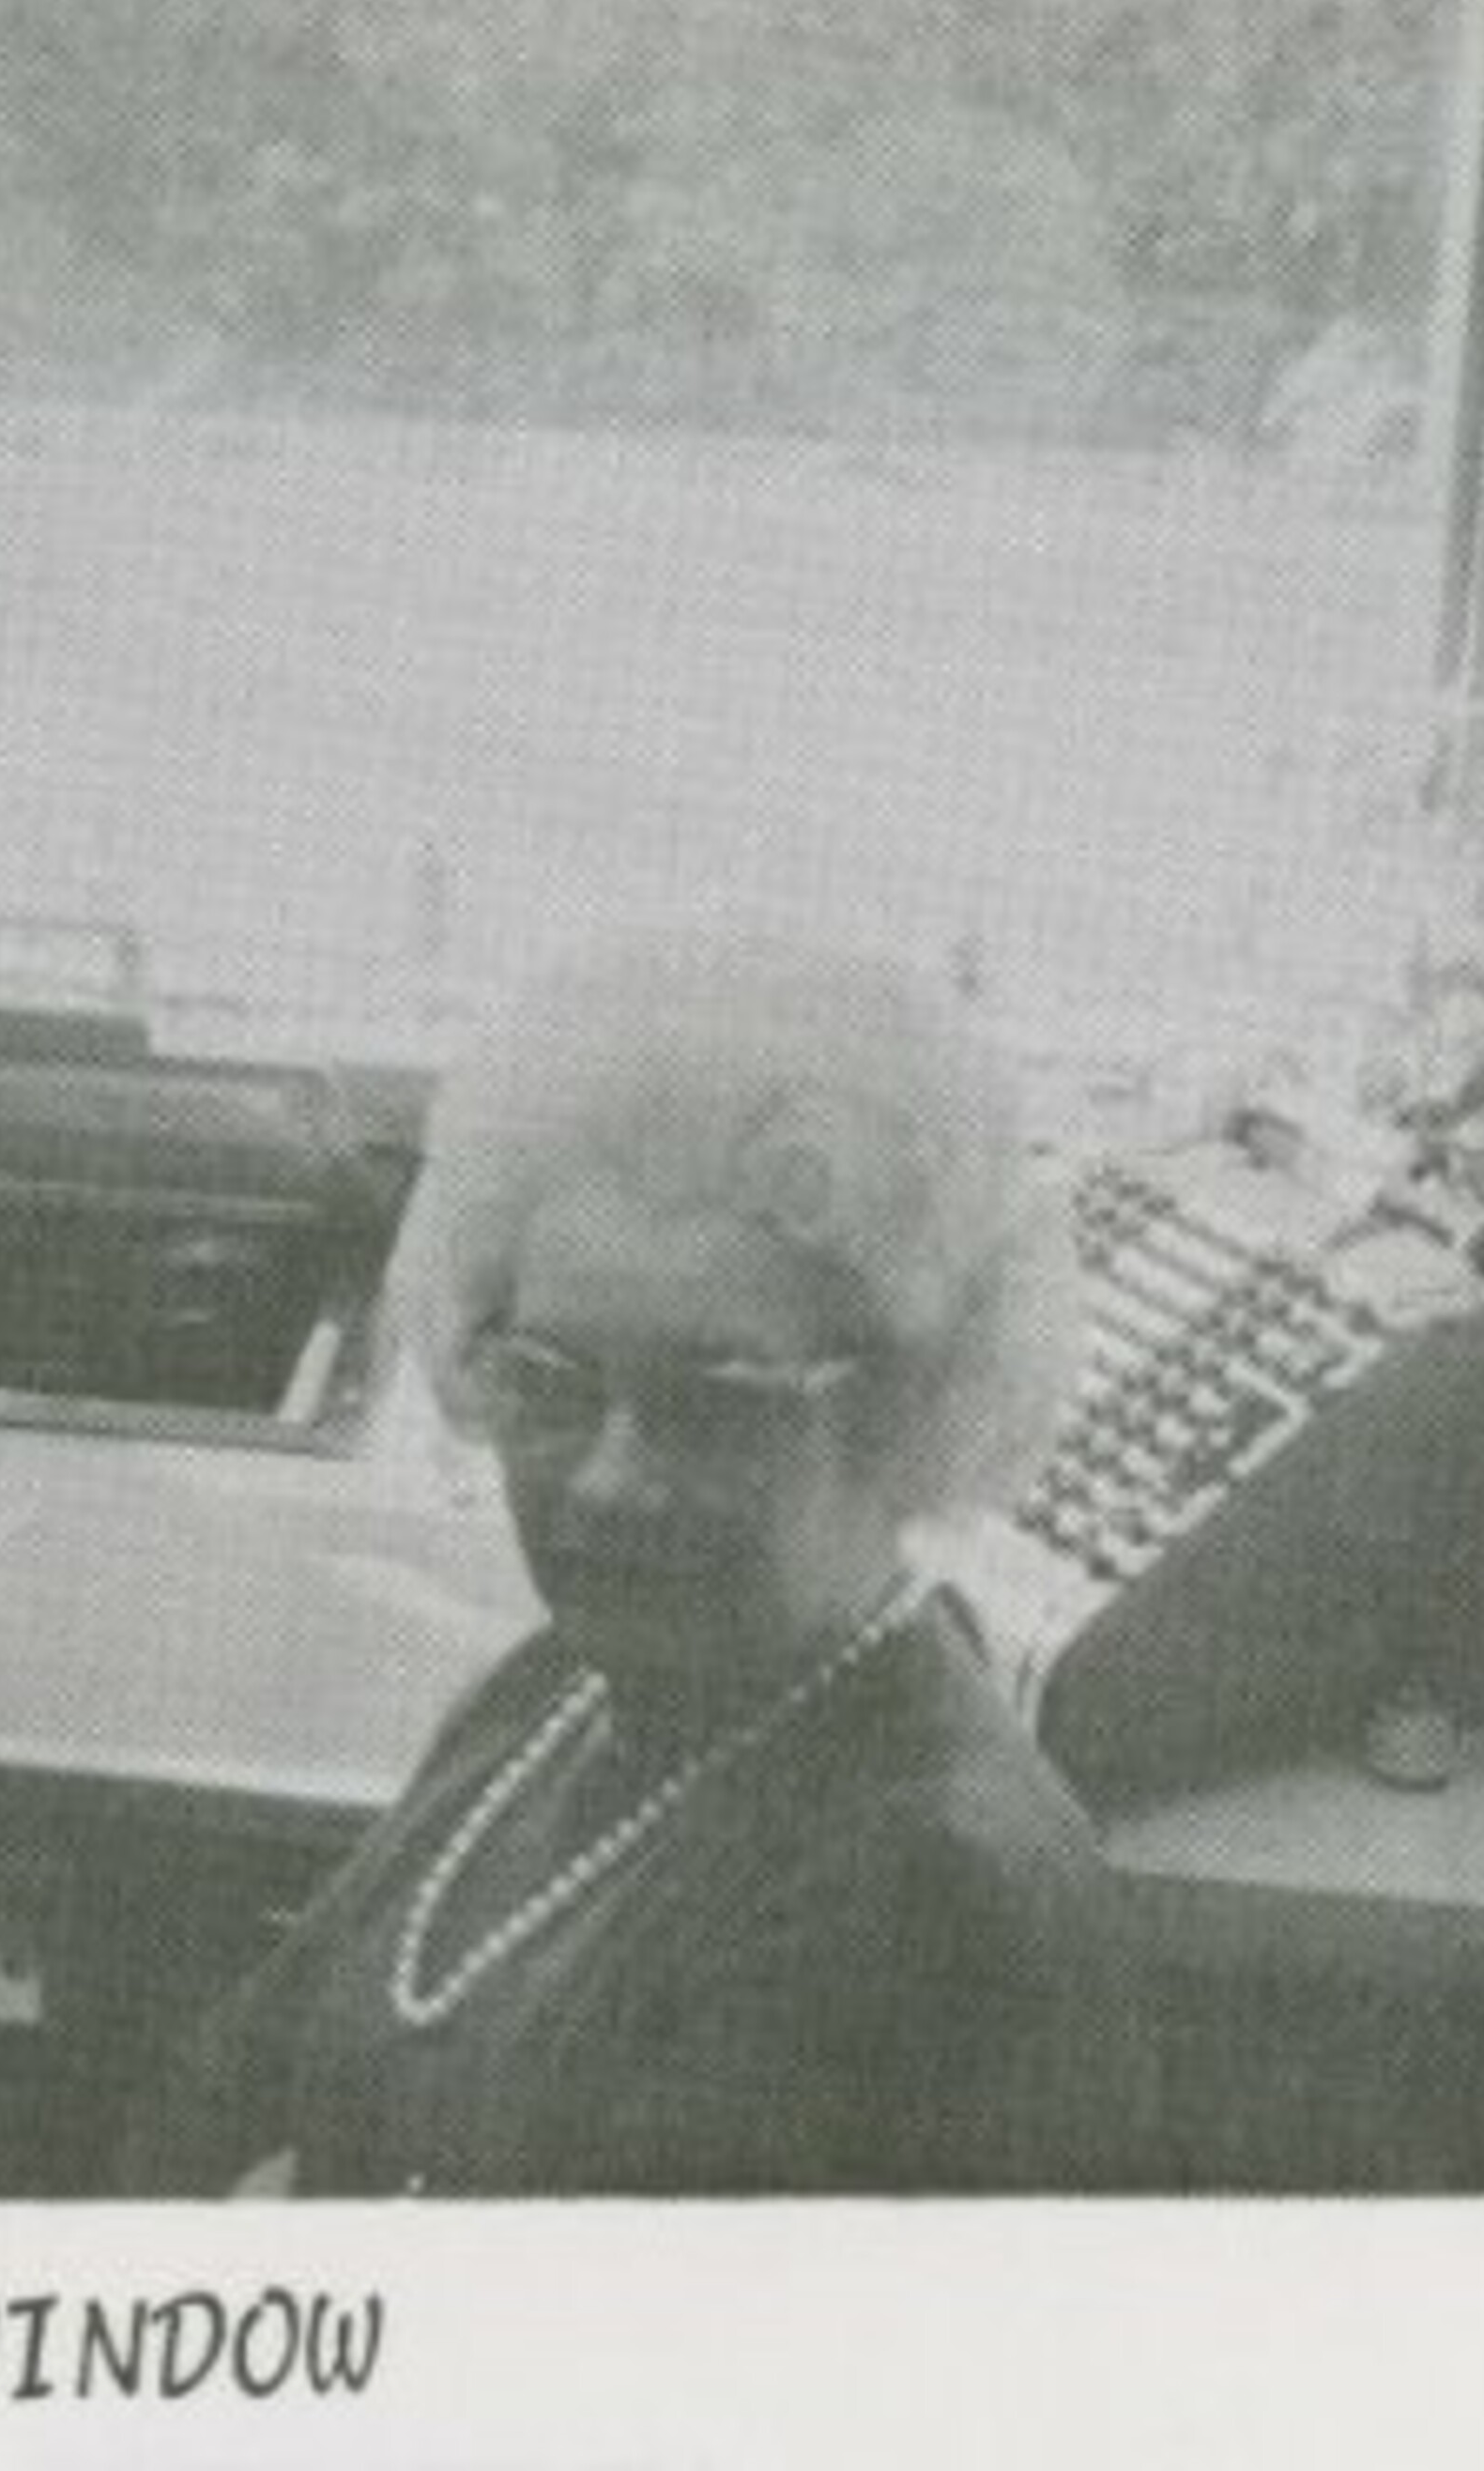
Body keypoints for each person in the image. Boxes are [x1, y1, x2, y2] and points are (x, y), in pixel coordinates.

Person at [126, 929, 1157, 2195]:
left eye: (714, 1404)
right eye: (550, 1385)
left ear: (902, 1408)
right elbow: (210, 2112)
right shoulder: (552, 1692)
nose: (610, 1477)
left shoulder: (925, 1902)